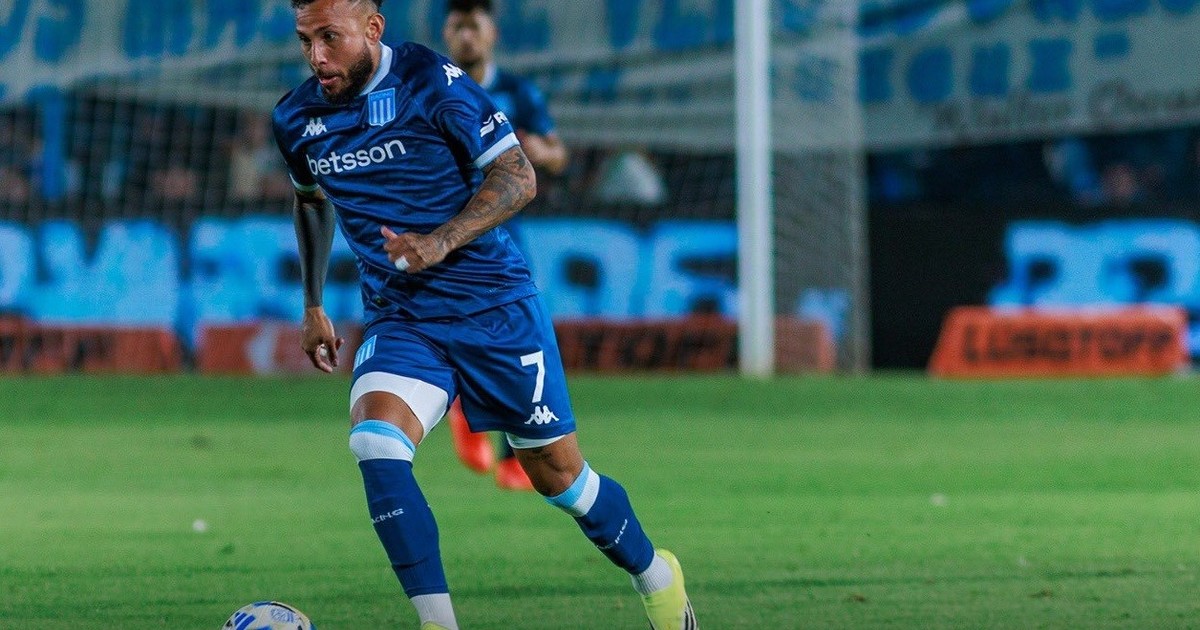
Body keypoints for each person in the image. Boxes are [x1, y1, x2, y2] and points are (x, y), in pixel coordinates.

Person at [271, 1, 697, 629]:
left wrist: (440, 241)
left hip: (494, 308)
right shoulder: (295, 117)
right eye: (306, 40)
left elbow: (518, 175)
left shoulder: (429, 81)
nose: (317, 56)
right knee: (375, 440)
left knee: (560, 479)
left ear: (373, 28)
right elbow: (310, 200)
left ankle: (656, 575)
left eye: (330, 37)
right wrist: (312, 304)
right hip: (402, 316)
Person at [441, 0, 568, 491]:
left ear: (492, 33)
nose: (466, 36)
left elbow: (558, 154)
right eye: (457, 26)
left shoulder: (518, 91)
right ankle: (462, 408)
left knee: (520, 339)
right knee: (453, 327)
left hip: (504, 235)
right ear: (447, 34)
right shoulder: (431, 88)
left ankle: (515, 454)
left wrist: (541, 152)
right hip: (445, 231)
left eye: (474, 26)